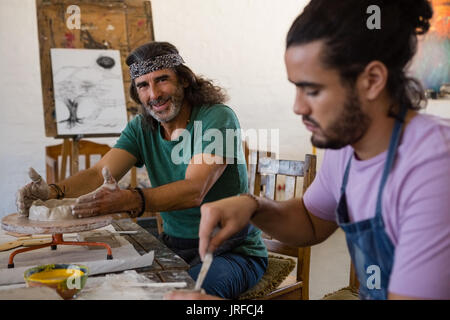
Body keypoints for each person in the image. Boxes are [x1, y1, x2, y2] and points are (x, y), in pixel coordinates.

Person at [167, 0, 450, 300]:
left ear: (372, 80)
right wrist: (253, 206)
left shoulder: (435, 167)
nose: (298, 107)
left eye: (312, 90)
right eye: (296, 88)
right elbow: (311, 220)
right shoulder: (347, 146)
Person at [16, 41, 268, 299]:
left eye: (162, 80)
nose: (154, 94)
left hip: (231, 251)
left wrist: (130, 200)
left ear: (183, 80)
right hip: (173, 246)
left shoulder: (218, 117)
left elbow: (195, 190)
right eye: (143, 85)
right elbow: (98, 173)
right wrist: (51, 192)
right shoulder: (141, 127)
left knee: (189, 297)